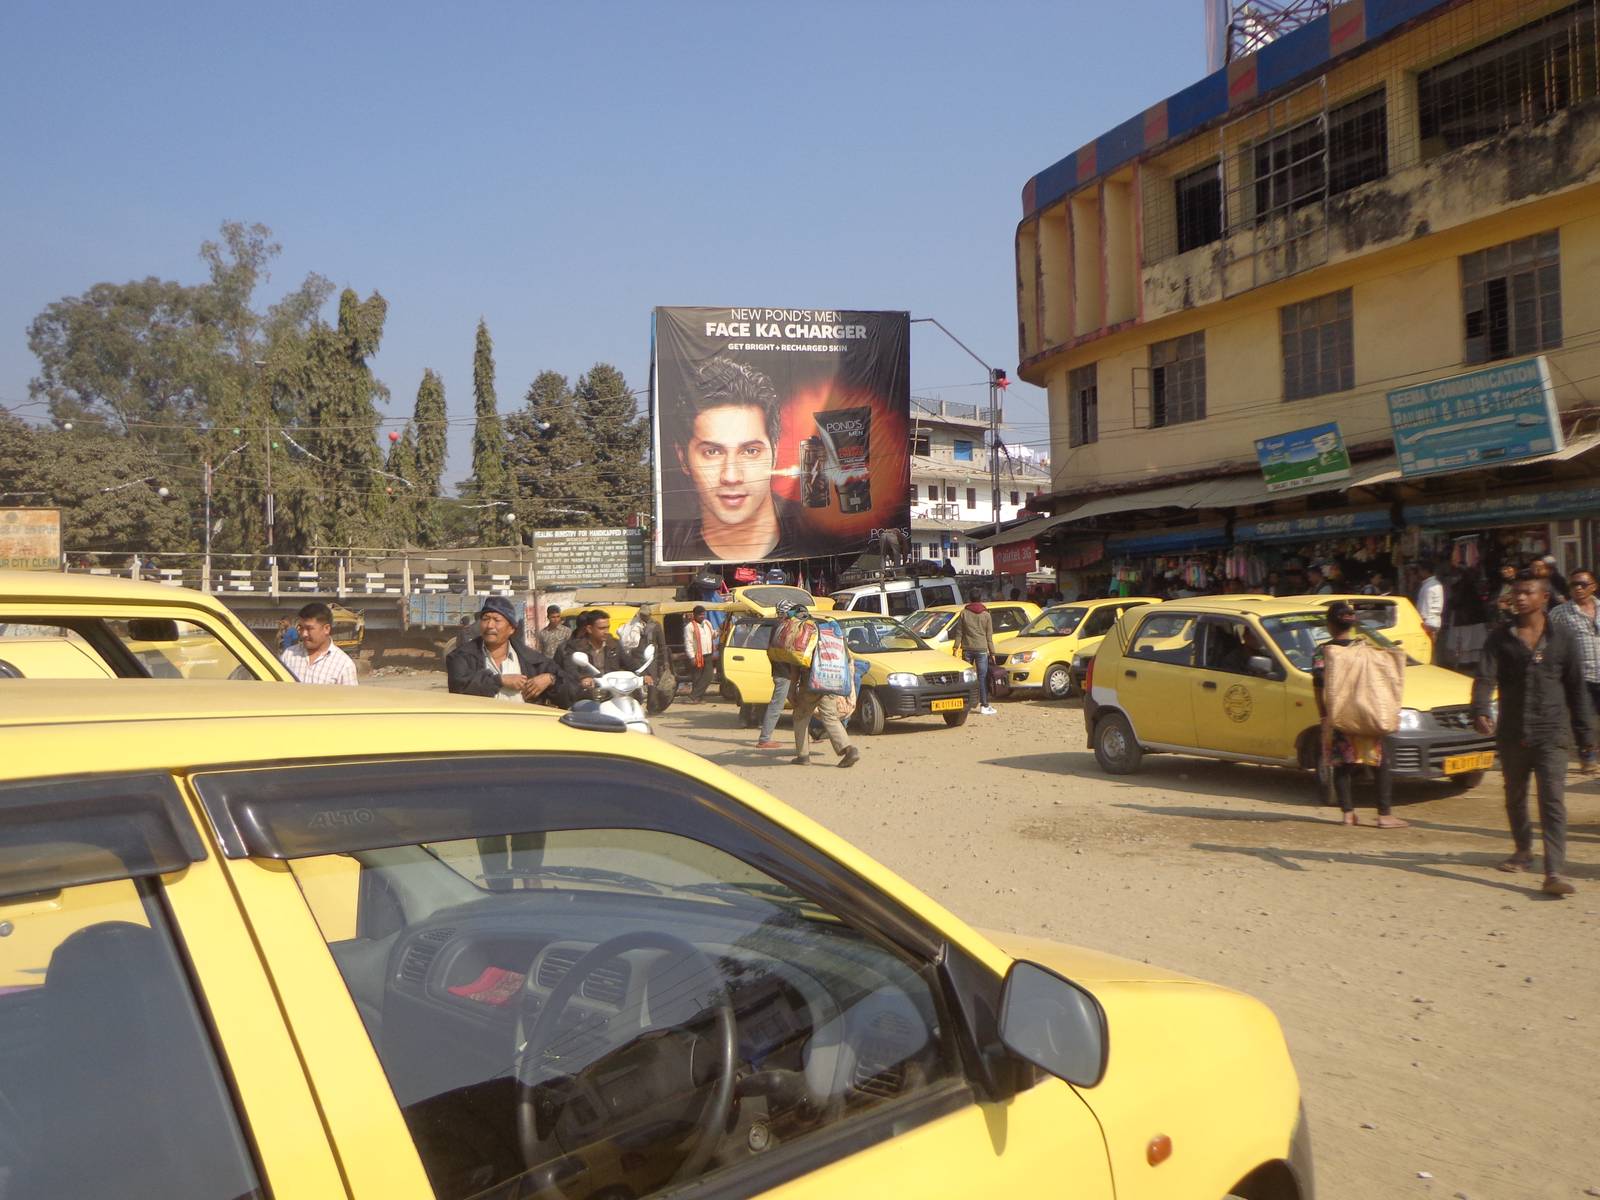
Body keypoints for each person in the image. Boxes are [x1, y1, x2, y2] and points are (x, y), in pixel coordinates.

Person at [1472, 573, 1597, 897]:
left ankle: (1553, 871)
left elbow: (1576, 689)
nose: (1520, 598)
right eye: (1516, 593)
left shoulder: (1564, 637)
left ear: (1544, 598)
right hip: (1513, 732)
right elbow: (1485, 677)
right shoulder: (1500, 638)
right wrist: (1481, 709)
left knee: (1552, 801)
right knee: (1515, 795)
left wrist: (1586, 740)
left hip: (1552, 733)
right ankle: (1523, 849)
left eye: (1527, 592)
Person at [659, 356, 805, 563]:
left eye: (750, 451)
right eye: (713, 452)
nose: (731, 476)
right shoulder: (667, 544)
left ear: (774, 453)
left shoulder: (818, 531)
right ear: (683, 459)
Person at [1311, 602, 1406, 828]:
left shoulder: (1323, 652)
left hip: (1338, 715)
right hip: (1366, 712)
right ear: (1352, 624)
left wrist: (1324, 715)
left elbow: (1317, 686)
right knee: (1379, 762)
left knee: (1343, 763)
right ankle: (1384, 815)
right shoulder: (1367, 649)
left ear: (1329, 625)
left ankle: (1348, 814)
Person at [446, 596, 559, 705]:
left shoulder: (532, 659)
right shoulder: (461, 656)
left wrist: (550, 679)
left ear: (511, 629)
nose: (490, 625)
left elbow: (570, 689)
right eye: (485, 619)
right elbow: (459, 688)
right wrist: (499, 681)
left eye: (496, 620)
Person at [787, 610, 859, 768]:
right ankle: (848, 749)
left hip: (811, 683)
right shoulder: (831, 633)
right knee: (830, 717)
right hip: (831, 680)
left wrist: (792, 689)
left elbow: (796, 666)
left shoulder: (803, 634)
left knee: (800, 715)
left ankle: (803, 756)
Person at [1550, 566, 1600, 776]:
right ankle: (1588, 756)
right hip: (1580, 675)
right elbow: (1548, 640)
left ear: (1594, 587)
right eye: (1574, 584)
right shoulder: (1560, 613)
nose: (1578, 588)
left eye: (1583, 584)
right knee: (1583, 718)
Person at [559, 609, 626, 706]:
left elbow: (629, 663)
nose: (606, 631)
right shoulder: (575, 647)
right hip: (586, 697)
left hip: (612, 695)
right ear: (589, 629)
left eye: (608, 627)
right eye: (602, 628)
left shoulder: (614, 644)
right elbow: (570, 669)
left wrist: (643, 674)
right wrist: (583, 679)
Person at [280, 602, 358, 685]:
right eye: (301, 628)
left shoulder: (344, 665)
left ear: (326, 629)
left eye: (309, 628)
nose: (303, 634)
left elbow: (350, 697)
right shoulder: (288, 655)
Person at [755, 603, 798, 749]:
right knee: (776, 706)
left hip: (783, 672)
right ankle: (764, 739)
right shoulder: (784, 628)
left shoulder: (777, 626)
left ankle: (812, 734)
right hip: (783, 673)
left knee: (800, 704)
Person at [619, 603, 676, 713]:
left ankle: (652, 706)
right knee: (636, 682)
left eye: (646, 615)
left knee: (652, 683)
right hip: (636, 658)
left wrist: (665, 662)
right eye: (642, 615)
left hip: (651, 659)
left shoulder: (656, 626)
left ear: (650, 614)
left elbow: (662, 645)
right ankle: (635, 704)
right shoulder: (633, 624)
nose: (644, 617)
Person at [956, 596, 999, 716]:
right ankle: (984, 705)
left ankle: (967, 704)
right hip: (981, 649)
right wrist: (992, 653)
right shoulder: (986, 614)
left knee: (967, 678)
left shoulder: (964, 613)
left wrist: (955, 647)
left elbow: (959, 632)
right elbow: (989, 636)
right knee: (982, 678)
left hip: (967, 649)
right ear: (980, 599)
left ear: (970, 599)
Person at [683, 605, 718, 702]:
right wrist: (691, 657)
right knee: (697, 677)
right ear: (695, 615)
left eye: (704, 614)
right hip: (697, 655)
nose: (703, 616)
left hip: (708, 653)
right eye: (700, 615)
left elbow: (712, 635)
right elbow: (688, 642)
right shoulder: (689, 627)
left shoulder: (707, 623)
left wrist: (718, 632)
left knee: (708, 676)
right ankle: (697, 698)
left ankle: (694, 696)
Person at [1415, 561, 1445, 645]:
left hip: (1428, 623)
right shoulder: (1436, 584)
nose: (1419, 573)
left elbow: (1425, 608)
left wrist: (1421, 623)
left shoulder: (1429, 586)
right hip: (1434, 621)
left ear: (1425, 571)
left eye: (1420, 571)